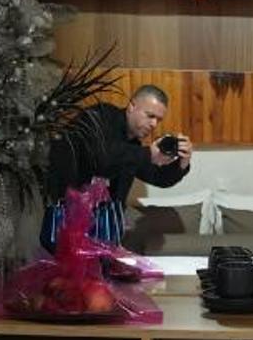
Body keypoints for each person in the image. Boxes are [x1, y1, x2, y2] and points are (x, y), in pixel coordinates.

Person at [42, 84, 193, 247]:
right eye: (150, 116)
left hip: (102, 232)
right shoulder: (101, 116)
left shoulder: (134, 145)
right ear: (132, 106)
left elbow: (158, 177)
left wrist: (182, 163)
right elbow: (102, 159)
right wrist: (147, 153)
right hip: (65, 221)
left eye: (158, 120)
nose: (154, 124)